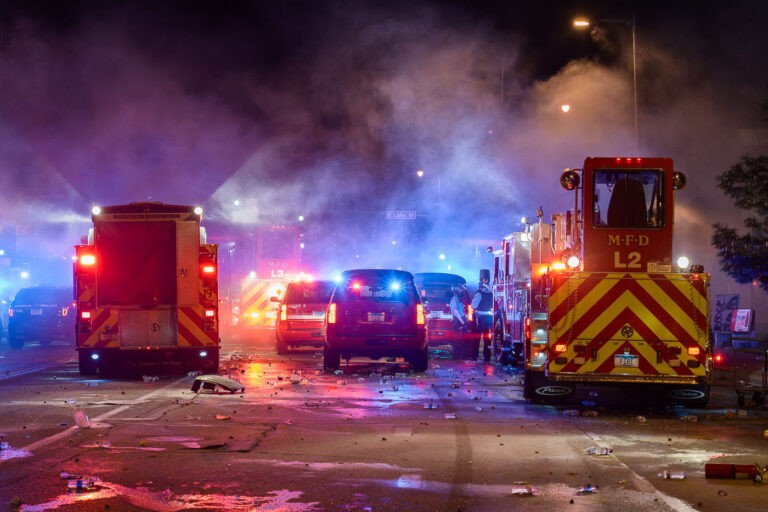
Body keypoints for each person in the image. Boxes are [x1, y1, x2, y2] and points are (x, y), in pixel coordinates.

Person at [471, 270, 494, 362]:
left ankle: (474, 356)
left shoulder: (479, 293)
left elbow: (473, 306)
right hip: (489, 318)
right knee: (487, 339)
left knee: (476, 338)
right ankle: (487, 357)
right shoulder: (492, 292)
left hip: (479, 318)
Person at [450, 284, 469, 358]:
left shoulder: (458, 300)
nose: (462, 293)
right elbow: (456, 313)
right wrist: (463, 322)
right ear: (456, 292)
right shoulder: (455, 299)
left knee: (460, 337)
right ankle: (456, 354)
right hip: (457, 321)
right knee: (457, 338)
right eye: (460, 291)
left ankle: (458, 353)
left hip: (460, 321)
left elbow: (461, 311)